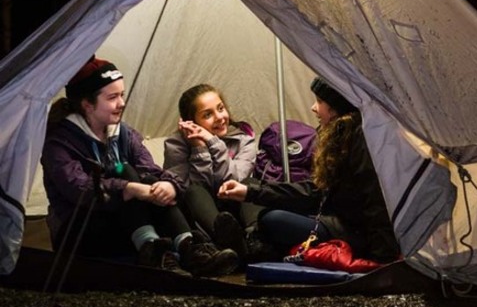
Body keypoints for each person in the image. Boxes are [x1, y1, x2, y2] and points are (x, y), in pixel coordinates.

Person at [41, 56, 238, 277]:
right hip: (81, 229)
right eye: (113, 97)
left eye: (122, 95)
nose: (122, 103)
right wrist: (129, 189)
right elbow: (79, 189)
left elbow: (150, 170)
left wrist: (168, 185)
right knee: (126, 174)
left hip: (127, 224)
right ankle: (154, 251)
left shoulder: (123, 133)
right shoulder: (60, 142)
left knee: (151, 181)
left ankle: (187, 248)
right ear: (88, 104)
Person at [218, 76, 400, 264]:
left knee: (271, 218)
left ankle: (249, 246)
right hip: (331, 217)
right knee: (252, 188)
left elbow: (375, 199)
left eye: (320, 101)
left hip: (355, 233)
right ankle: (253, 245)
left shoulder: (359, 140)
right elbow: (314, 189)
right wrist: (250, 192)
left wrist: (383, 258)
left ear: (337, 107)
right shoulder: (339, 135)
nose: (314, 107)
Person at [163, 83, 259, 259]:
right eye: (207, 114)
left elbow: (232, 180)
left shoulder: (244, 141)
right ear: (190, 122)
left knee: (250, 185)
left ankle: (255, 240)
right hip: (202, 220)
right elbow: (192, 189)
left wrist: (213, 143)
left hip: (237, 212)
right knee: (194, 192)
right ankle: (225, 243)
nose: (219, 117)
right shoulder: (175, 145)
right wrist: (199, 147)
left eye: (220, 108)